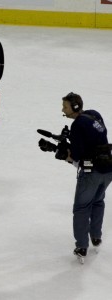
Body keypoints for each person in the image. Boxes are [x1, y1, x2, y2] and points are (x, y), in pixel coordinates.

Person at [61, 92, 112, 262]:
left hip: (92, 173)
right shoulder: (94, 114)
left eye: (65, 106)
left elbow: (77, 156)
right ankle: (96, 236)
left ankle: (82, 247)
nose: (63, 109)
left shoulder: (77, 125)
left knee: (82, 208)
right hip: (108, 169)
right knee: (98, 201)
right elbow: (97, 137)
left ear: (74, 107)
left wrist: (65, 154)